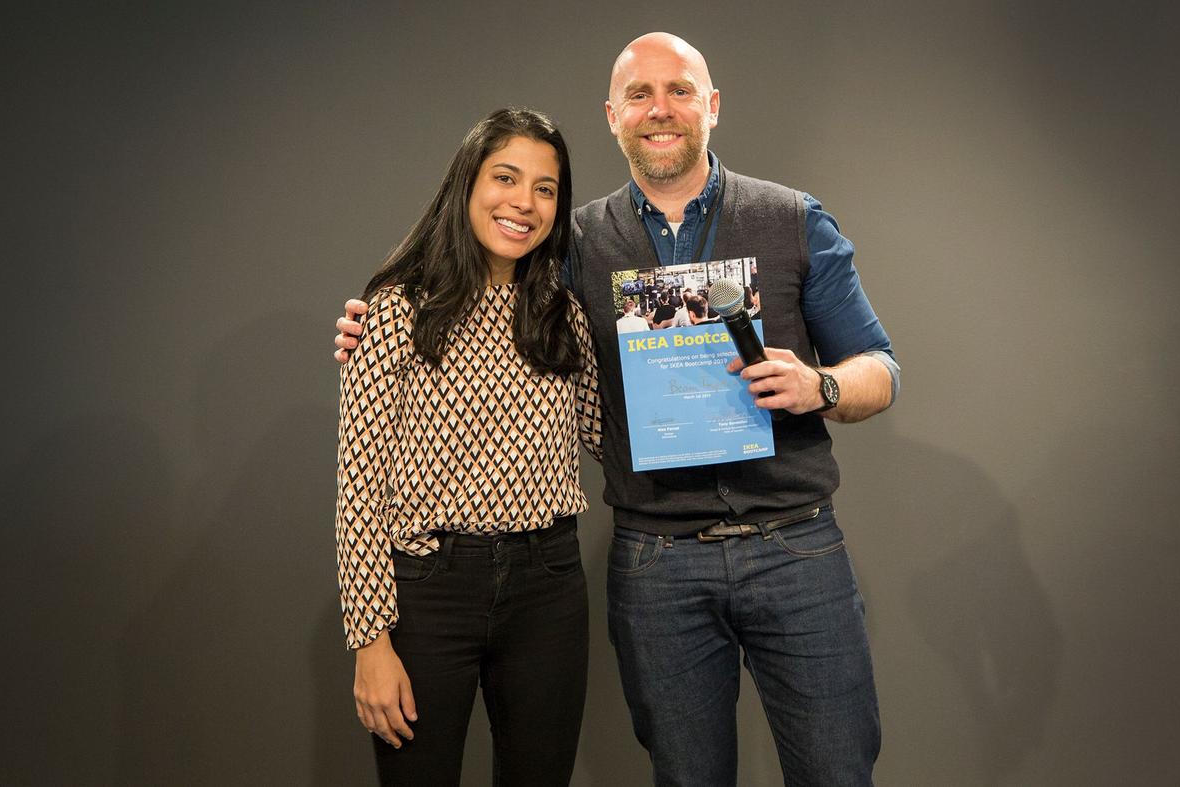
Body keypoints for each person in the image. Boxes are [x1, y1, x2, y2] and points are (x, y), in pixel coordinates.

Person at [337, 33, 900, 786]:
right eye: (639, 94)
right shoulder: (573, 245)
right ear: (612, 114)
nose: (659, 109)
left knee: (837, 771)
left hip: (793, 548)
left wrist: (822, 386)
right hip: (657, 562)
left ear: (713, 105)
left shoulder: (792, 219)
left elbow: (881, 369)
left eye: (679, 90)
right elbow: (493, 311)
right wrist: (375, 324)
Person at [334, 107, 602, 786]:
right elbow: (359, 487)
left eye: (546, 188)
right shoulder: (397, 309)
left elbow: (610, 435)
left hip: (548, 588)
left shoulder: (562, 314)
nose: (525, 202)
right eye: (506, 177)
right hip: (428, 593)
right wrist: (370, 641)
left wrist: (712, 386)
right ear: (468, 183)